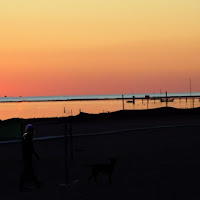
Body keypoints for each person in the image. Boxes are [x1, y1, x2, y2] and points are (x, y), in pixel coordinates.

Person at [20, 124, 41, 191]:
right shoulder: (28, 138)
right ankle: (23, 185)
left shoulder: (25, 137)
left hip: (26, 156)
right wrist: (35, 155)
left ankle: (36, 183)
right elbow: (31, 148)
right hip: (27, 156)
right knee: (28, 170)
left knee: (29, 170)